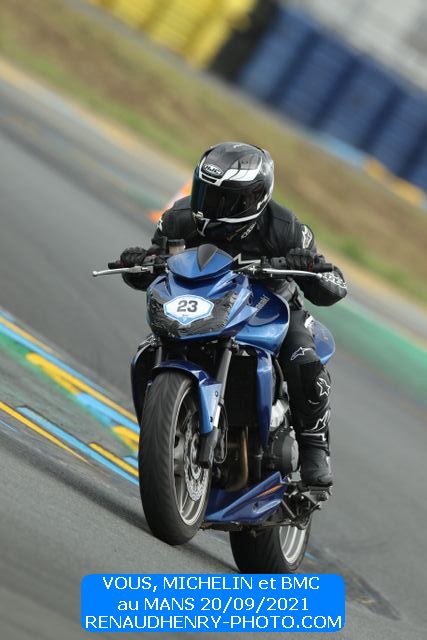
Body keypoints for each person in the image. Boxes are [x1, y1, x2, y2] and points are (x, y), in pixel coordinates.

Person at [114, 142, 347, 486]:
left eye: (224, 199)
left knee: (303, 359)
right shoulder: (179, 218)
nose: (210, 206)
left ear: (254, 199)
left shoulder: (285, 227)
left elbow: (334, 285)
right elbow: (153, 268)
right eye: (205, 193)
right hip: (204, 303)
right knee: (151, 346)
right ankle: (168, 428)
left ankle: (314, 448)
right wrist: (138, 263)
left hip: (270, 308)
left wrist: (308, 267)